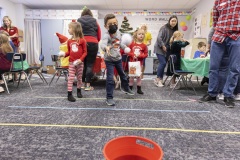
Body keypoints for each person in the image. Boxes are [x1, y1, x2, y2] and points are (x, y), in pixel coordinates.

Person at [199, 0, 240, 108]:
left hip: (236, 37)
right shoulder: (218, 1)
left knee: (234, 68)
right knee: (213, 67)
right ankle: (212, 93)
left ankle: (228, 95)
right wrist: (209, 42)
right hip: (218, 37)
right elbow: (215, 22)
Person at [100, 13, 135, 106]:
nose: (113, 25)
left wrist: (125, 48)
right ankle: (109, 97)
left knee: (123, 75)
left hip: (118, 59)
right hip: (109, 60)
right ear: (105, 26)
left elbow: (120, 44)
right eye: (110, 24)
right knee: (110, 79)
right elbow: (103, 44)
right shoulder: (106, 35)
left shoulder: (119, 33)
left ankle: (126, 88)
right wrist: (106, 48)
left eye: (115, 23)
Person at [58, 22, 87, 102]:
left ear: (75, 29)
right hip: (71, 63)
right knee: (70, 78)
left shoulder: (82, 40)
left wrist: (80, 60)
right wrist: (63, 54)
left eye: (70, 28)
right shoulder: (69, 41)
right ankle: (69, 94)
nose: (68, 29)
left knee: (79, 78)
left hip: (80, 63)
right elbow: (69, 52)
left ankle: (78, 91)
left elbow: (85, 52)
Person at [77, 7, 101, 91]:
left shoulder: (79, 20)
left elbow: (76, 33)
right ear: (90, 14)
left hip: (81, 42)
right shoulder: (94, 21)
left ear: (82, 14)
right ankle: (88, 85)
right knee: (90, 64)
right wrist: (95, 41)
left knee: (82, 64)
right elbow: (99, 34)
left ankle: (82, 84)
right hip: (93, 43)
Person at [154, 15, 178, 87]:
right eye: (172, 21)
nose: (173, 22)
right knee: (163, 63)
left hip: (167, 49)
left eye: (175, 21)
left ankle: (162, 79)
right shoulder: (164, 28)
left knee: (166, 64)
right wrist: (162, 45)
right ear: (169, 21)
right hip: (159, 48)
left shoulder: (175, 30)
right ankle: (158, 79)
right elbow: (159, 38)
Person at [128, 28, 148, 94]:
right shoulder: (132, 44)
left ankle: (139, 89)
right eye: (139, 34)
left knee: (139, 76)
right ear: (136, 35)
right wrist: (133, 55)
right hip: (133, 64)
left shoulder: (144, 46)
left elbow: (146, 54)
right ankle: (130, 89)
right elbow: (128, 51)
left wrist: (140, 56)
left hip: (140, 64)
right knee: (131, 76)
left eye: (142, 34)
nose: (141, 35)